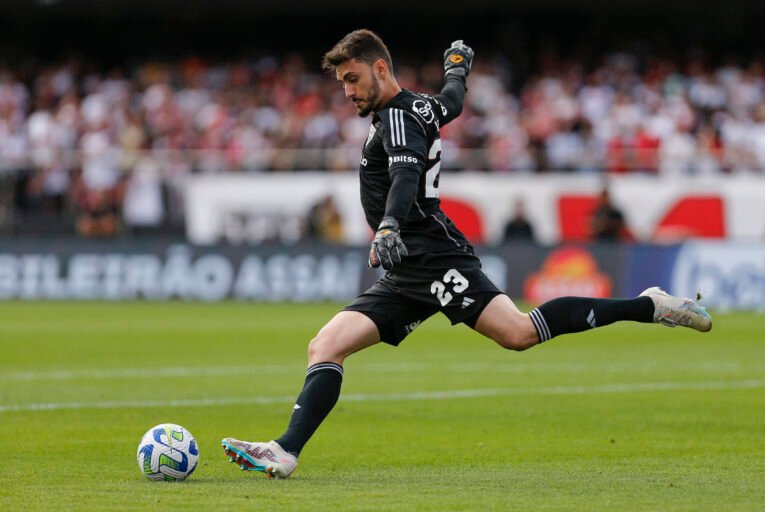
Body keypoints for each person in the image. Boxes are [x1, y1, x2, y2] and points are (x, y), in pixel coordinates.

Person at [221, 30, 712, 479]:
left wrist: (389, 224)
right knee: (326, 345)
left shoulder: (396, 118)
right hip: (406, 266)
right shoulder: (420, 107)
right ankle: (285, 450)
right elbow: (452, 102)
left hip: (434, 257)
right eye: (342, 83)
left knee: (518, 333)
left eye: (352, 79)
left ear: (381, 69)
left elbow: (405, 175)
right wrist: (456, 68)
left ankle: (649, 305)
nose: (347, 91)